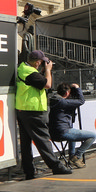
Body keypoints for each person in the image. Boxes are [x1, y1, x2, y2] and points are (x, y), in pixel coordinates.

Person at [15, 50, 72, 179]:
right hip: (33, 111)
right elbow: (47, 84)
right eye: (42, 63)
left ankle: (29, 171)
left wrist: (43, 72)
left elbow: (36, 83)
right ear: (37, 62)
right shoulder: (29, 72)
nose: (42, 65)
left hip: (24, 109)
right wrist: (48, 70)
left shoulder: (24, 69)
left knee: (25, 143)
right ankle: (56, 166)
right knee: (43, 140)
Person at [48, 83, 96, 169]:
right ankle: (76, 157)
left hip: (53, 133)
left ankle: (72, 157)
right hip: (62, 132)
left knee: (72, 132)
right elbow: (81, 101)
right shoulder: (63, 102)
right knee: (92, 136)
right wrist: (77, 88)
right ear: (67, 93)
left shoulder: (54, 100)